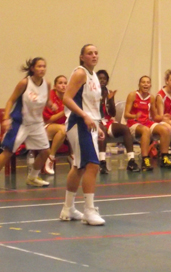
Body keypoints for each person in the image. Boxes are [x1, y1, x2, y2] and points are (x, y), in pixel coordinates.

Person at [59, 44, 106, 225]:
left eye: (96, 52)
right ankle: (89, 210)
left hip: (89, 123)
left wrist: (97, 123)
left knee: (79, 166)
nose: (94, 55)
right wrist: (85, 116)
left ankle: (68, 208)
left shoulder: (93, 75)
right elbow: (67, 98)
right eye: (89, 53)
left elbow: (90, 103)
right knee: (92, 165)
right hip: (78, 123)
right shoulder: (80, 73)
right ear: (82, 57)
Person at [0, 57, 54, 188]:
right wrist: (6, 118)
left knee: (45, 152)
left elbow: (47, 100)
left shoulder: (47, 84)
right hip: (21, 123)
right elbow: (11, 100)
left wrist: (51, 105)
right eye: (39, 66)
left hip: (37, 123)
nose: (42, 69)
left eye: (44, 66)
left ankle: (32, 177)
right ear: (32, 68)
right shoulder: (24, 83)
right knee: (8, 152)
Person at [125, 76, 171, 170]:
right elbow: (126, 114)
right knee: (146, 130)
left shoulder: (151, 97)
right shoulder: (133, 95)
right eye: (143, 82)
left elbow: (155, 116)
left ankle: (164, 157)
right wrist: (134, 116)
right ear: (139, 84)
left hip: (146, 122)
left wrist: (163, 118)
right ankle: (145, 160)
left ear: (150, 85)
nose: (145, 84)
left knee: (166, 129)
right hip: (133, 122)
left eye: (148, 82)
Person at [96, 69, 139, 173]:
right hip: (95, 122)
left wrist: (110, 100)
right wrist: (100, 100)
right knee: (102, 130)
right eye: (100, 78)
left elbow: (112, 114)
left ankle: (131, 161)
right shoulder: (91, 92)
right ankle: (102, 162)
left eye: (104, 79)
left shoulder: (108, 92)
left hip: (107, 121)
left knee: (125, 129)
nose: (102, 80)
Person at [42, 75, 75, 175]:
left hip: (63, 128)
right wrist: (64, 111)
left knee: (70, 129)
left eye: (65, 83)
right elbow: (49, 119)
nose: (63, 85)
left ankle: (73, 155)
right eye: (60, 83)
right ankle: (51, 158)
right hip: (46, 126)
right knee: (63, 129)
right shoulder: (50, 97)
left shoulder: (69, 97)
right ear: (55, 86)